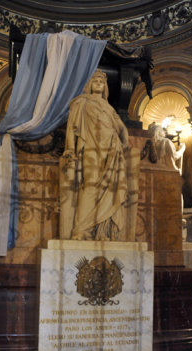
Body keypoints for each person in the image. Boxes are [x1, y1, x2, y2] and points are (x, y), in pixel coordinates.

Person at [59, 69, 139, 241]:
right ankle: (81, 230)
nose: (98, 83)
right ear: (89, 84)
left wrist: (124, 134)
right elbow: (72, 127)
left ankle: (103, 230)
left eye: (102, 82)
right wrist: (70, 149)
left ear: (105, 87)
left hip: (112, 148)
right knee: (90, 186)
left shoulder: (108, 107)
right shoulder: (80, 102)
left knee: (111, 189)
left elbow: (119, 125)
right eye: (95, 80)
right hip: (90, 148)